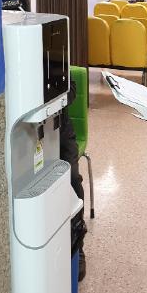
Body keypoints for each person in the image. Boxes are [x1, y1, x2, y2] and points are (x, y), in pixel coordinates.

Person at [60, 80, 87, 281]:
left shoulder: (53, 60)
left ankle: (78, 245)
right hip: (28, 136)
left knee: (72, 179)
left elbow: (72, 90)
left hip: (60, 131)